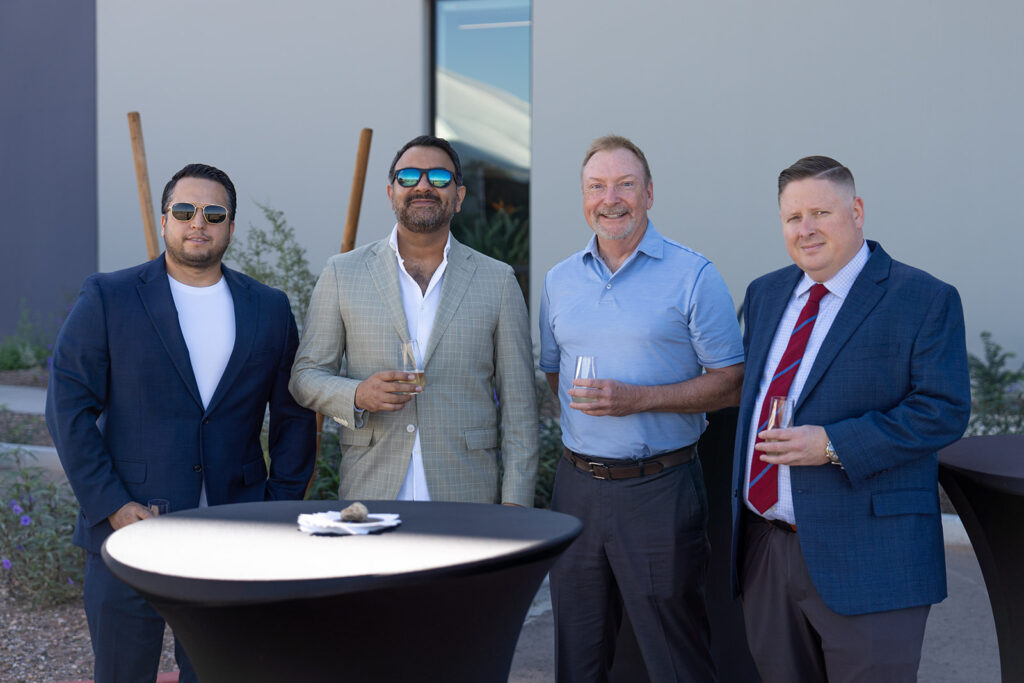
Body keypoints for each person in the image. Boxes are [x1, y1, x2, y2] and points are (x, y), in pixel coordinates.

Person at [46, 163, 317, 683]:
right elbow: (66, 407)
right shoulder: (109, 297)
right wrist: (112, 505)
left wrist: (275, 508)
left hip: (235, 536)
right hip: (130, 530)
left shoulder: (269, 308)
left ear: (231, 227)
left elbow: (294, 416)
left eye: (214, 214)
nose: (200, 223)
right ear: (164, 218)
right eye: (186, 211)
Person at [730, 156, 971, 682]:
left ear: (857, 211)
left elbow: (943, 411)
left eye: (821, 211)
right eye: (793, 217)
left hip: (873, 557)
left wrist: (833, 444)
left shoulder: (923, 298)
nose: (806, 228)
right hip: (768, 549)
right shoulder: (766, 294)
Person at [539, 135, 744, 681]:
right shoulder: (559, 281)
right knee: (578, 655)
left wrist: (641, 400)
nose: (611, 198)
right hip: (576, 485)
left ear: (649, 193)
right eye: (597, 186)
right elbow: (555, 371)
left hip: (660, 488)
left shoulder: (694, 275)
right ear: (583, 197)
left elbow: (734, 382)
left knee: (674, 657)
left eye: (625, 184)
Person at [289, 135, 538, 506]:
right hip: (371, 494)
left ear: (459, 196)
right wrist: (357, 394)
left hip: (466, 497)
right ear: (391, 193)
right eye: (409, 177)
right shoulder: (343, 273)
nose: (423, 186)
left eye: (439, 178)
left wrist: (516, 507)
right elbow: (304, 377)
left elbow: (520, 409)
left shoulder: (497, 281)